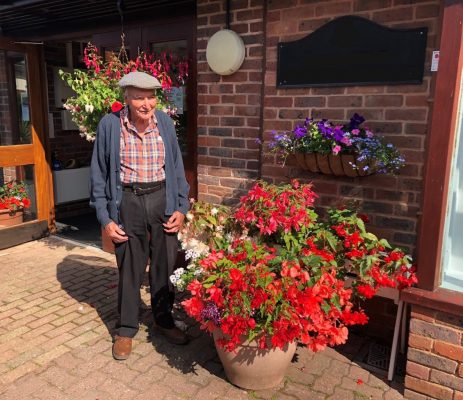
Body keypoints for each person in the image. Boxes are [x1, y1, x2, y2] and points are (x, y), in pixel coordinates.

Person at [90, 71, 190, 360]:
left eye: (151, 97)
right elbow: (98, 175)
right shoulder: (110, 126)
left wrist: (181, 208)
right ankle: (126, 328)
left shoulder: (167, 124)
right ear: (126, 99)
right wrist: (106, 218)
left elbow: (176, 168)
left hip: (162, 198)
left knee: (164, 263)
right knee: (130, 266)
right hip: (127, 200)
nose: (146, 104)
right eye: (138, 98)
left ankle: (163, 320)